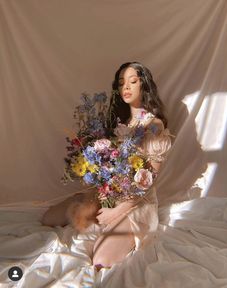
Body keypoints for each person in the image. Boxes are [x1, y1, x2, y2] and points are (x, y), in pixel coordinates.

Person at [41, 61, 171, 269]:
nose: (125, 87)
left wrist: (116, 211)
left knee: (102, 260)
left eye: (133, 81)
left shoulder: (153, 125)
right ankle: (91, 209)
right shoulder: (119, 123)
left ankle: (114, 227)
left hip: (136, 203)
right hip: (108, 194)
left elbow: (147, 183)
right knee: (49, 218)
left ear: (144, 86)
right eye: (121, 83)